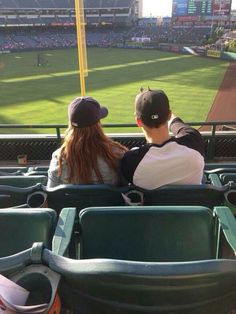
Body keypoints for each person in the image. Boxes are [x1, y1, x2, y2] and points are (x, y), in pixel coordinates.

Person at [121, 88, 205, 189]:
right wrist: (166, 115)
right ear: (169, 115)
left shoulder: (131, 161)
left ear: (138, 122)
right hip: (194, 205)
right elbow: (178, 124)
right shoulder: (193, 142)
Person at [47, 96, 127, 187]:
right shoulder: (116, 154)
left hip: (70, 201)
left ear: (71, 125)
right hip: (111, 201)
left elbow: (50, 193)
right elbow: (125, 187)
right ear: (98, 124)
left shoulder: (58, 157)